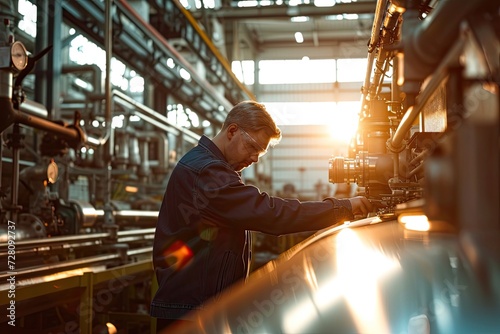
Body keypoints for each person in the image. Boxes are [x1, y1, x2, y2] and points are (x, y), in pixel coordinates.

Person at [150, 100, 373, 332]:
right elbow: (270, 213)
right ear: (233, 131)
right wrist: (342, 208)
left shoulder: (210, 167)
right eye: (253, 147)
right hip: (192, 313)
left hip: (196, 306)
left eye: (260, 152)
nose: (255, 158)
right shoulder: (207, 172)